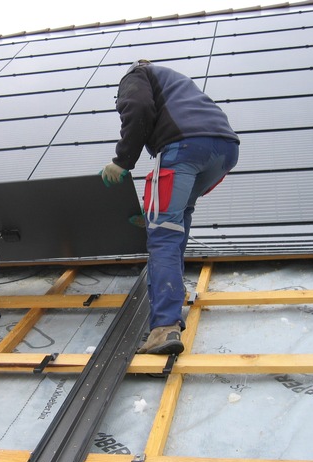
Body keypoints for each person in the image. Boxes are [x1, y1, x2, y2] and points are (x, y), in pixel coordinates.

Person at [101, 60, 239, 355]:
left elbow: (137, 107)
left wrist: (122, 160)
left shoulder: (135, 75)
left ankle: (164, 327)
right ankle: (174, 292)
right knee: (177, 218)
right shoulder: (173, 81)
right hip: (225, 150)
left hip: (185, 147)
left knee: (162, 235)